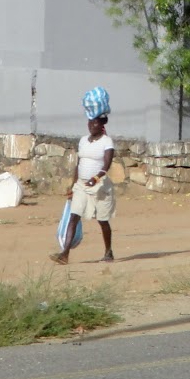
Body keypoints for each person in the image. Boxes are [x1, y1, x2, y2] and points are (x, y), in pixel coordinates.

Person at [52, 86, 116, 265]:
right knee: (74, 215)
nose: (90, 125)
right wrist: (73, 185)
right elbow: (78, 165)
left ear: (101, 125)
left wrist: (96, 178)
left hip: (100, 187)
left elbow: (107, 165)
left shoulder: (107, 142)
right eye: (89, 122)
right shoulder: (83, 141)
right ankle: (64, 253)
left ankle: (108, 251)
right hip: (81, 185)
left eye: (94, 123)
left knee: (102, 220)